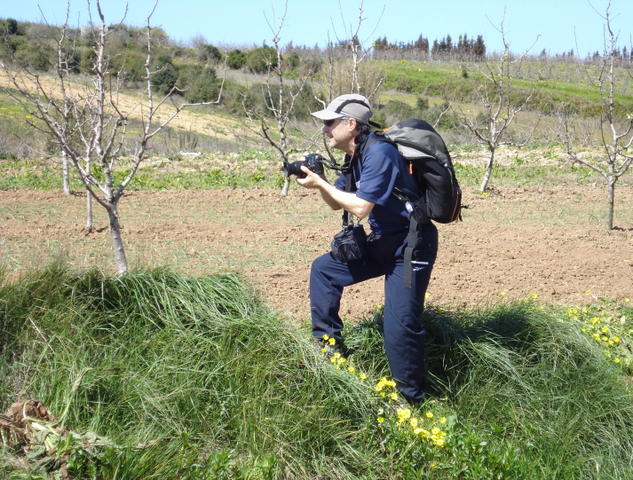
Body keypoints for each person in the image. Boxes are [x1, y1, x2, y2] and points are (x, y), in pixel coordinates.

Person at [296, 93, 438, 404]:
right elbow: (338, 204)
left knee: (399, 327)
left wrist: (322, 185)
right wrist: (320, 181)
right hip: (386, 241)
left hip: (412, 245)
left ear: (351, 123)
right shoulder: (355, 155)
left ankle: (413, 402)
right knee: (324, 270)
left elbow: (360, 206)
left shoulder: (380, 152)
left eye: (330, 123)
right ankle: (329, 348)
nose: (325, 129)